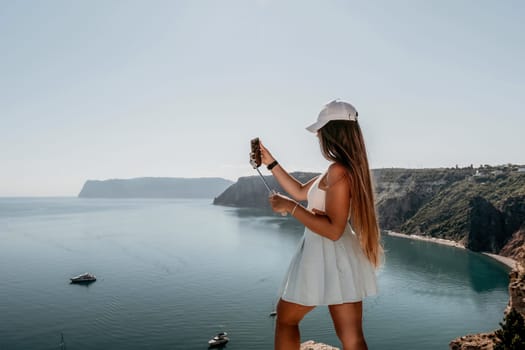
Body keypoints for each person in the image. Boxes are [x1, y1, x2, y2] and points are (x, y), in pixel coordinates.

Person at [260, 100, 383, 350]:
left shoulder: (338, 171)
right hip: (342, 260)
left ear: (331, 132)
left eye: (320, 130)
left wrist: (290, 207)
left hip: (324, 254)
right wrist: (270, 162)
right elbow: (298, 191)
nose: (317, 135)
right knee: (352, 337)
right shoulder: (341, 169)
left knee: (285, 319)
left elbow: (333, 230)